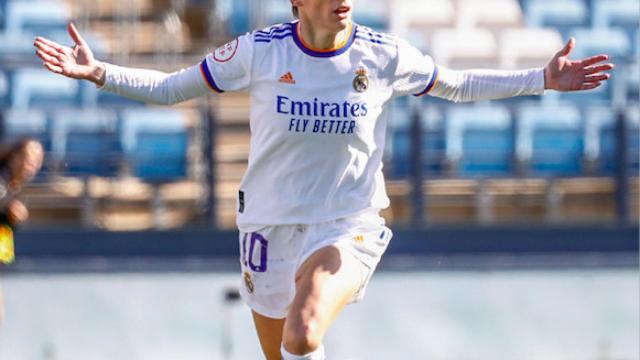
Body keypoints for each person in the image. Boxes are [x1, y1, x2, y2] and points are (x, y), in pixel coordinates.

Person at [33, 0, 613, 358]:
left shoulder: (384, 55)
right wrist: (99, 72)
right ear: (297, 2)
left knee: (305, 330)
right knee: (282, 352)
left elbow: (457, 84)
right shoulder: (257, 52)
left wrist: (541, 78)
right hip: (267, 224)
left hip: (348, 224)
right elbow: (170, 88)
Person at [0, 138, 45, 322]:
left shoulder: (15, 189)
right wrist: (7, 208)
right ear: (14, 157)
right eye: (28, 158)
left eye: (37, 161)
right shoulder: (2, 181)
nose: (32, 164)